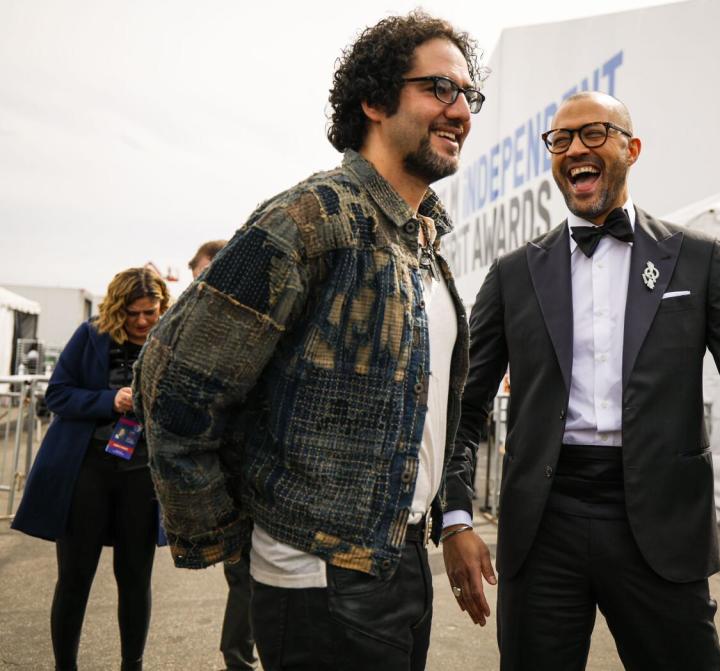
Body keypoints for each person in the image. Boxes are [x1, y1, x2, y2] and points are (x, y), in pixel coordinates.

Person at [134, 10, 484, 670]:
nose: (460, 110)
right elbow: (172, 377)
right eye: (439, 88)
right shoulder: (312, 217)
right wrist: (225, 534)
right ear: (375, 99)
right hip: (317, 575)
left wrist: (448, 516)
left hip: (401, 558)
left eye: (469, 95)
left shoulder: (425, 240)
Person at [441, 92, 720, 670]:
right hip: (543, 527)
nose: (575, 148)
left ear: (632, 148)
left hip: (662, 529)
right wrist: (455, 518)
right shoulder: (514, 273)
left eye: (593, 133)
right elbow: (464, 409)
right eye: (561, 139)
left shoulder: (699, 261)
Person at [13, 267, 171, 671]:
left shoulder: (171, 339)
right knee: (75, 578)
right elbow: (58, 394)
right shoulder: (91, 335)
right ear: (118, 309)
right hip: (86, 472)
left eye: (150, 312)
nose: (141, 321)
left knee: (135, 579)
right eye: (133, 313)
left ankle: (131, 665)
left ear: (161, 308)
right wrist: (109, 401)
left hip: (141, 475)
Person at [189, 238, 258, 671]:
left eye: (205, 276)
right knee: (244, 573)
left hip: (253, 466)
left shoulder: (251, 319)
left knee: (253, 576)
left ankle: (242, 658)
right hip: (222, 472)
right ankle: (238, 660)